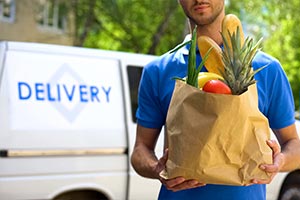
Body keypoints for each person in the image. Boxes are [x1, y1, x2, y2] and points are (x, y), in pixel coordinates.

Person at [131, 0, 300, 199]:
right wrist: (157, 169)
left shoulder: (267, 69)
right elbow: (140, 150)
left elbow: (293, 144)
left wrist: (279, 162)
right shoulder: (157, 71)